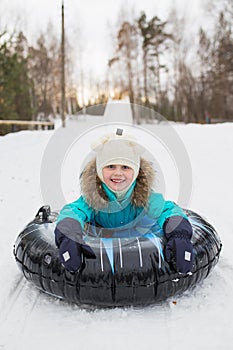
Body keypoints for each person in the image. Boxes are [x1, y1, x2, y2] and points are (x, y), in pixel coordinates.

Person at [54, 128, 194, 274]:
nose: (118, 173)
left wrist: (179, 235)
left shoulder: (144, 196)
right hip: (101, 243)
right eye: (110, 166)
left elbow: (168, 210)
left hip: (138, 241)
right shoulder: (92, 197)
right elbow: (73, 211)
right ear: (99, 170)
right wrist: (69, 237)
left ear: (136, 171)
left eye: (125, 167)